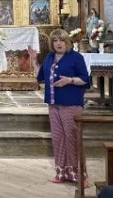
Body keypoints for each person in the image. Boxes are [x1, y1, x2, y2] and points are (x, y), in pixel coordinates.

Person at [36, 29, 90, 185]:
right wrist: (33, 60)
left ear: (67, 42)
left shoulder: (76, 58)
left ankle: (81, 175)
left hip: (71, 104)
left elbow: (85, 80)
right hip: (54, 104)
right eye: (55, 41)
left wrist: (70, 80)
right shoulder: (49, 57)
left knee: (72, 139)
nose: (58, 43)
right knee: (58, 139)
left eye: (61, 40)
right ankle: (62, 173)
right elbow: (40, 78)